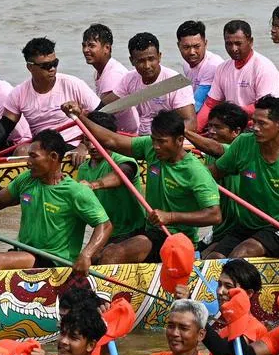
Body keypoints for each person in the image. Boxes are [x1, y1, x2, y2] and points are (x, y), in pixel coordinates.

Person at [65, 106, 220, 264]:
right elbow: (111, 140)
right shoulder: (150, 148)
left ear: (180, 140)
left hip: (176, 238)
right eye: (153, 140)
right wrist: (79, 117)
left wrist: (171, 217)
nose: (156, 146)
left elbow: (214, 215)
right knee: (96, 257)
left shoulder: (195, 172)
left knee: (112, 255)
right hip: (150, 231)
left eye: (162, 141)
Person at [0, 129, 111, 273]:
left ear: (53, 157)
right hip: (23, 253)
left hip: (54, 261)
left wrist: (86, 255)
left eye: (34, 156)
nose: (28, 162)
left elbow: (104, 225)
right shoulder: (26, 180)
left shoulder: (76, 192)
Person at [202, 95, 279, 258]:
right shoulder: (243, 143)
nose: (255, 128)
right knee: (212, 259)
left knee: (242, 253)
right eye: (254, 122)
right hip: (247, 225)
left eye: (262, 123)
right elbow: (216, 172)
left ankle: (236, 282)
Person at [1, 37, 100, 146]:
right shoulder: (18, 94)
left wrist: (83, 145)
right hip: (43, 148)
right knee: (21, 151)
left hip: (74, 146)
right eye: (46, 66)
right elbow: (2, 132)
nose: (52, 68)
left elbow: (102, 116)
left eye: (55, 63)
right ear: (30, 67)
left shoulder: (73, 84)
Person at [183, 100, 248, 251]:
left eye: (218, 127)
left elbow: (218, 149)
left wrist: (183, 131)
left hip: (237, 227)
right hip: (220, 228)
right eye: (210, 126)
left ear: (236, 132)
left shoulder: (237, 150)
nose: (211, 131)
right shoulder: (210, 153)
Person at [73, 111, 145, 244]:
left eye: (97, 139)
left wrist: (93, 185)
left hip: (134, 232)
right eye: (88, 139)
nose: (92, 146)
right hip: (106, 234)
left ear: (107, 137)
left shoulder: (124, 159)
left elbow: (121, 176)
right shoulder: (83, 169)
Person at [197, 20, 279, 129]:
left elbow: (266, 108)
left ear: (250, 41)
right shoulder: (222, 68)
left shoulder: (264, 67)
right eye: (229, 44)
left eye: (238, 43)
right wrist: (195, 130)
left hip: (259, 126)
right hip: (232, 125)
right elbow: (210, 104)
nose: (233, 49)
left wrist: (231, 115)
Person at [111, 31, 196, 133]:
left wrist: (161, 137)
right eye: (141, 61)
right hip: (142, 137)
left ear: (159, 56)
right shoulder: (129, 79)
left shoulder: (175, 83)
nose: (147, 66)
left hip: (166, 139)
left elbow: (191, 122)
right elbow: (106, 107)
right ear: (132, 61)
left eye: (151, 59)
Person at [81, 24, 139, 135]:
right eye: (84, 46)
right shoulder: (99, 71)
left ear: (107, 48)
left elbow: (102, 112)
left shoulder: (113, 73)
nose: (86, 50)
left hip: (125, 134)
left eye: (91, 46)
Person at [177, 20, 226, 111]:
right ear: (178, 46)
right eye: (186, 47)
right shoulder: (186, 63)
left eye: (196, 46)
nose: (192, 52)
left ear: (205, 43)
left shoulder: (213, 65)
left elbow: (197, 104)